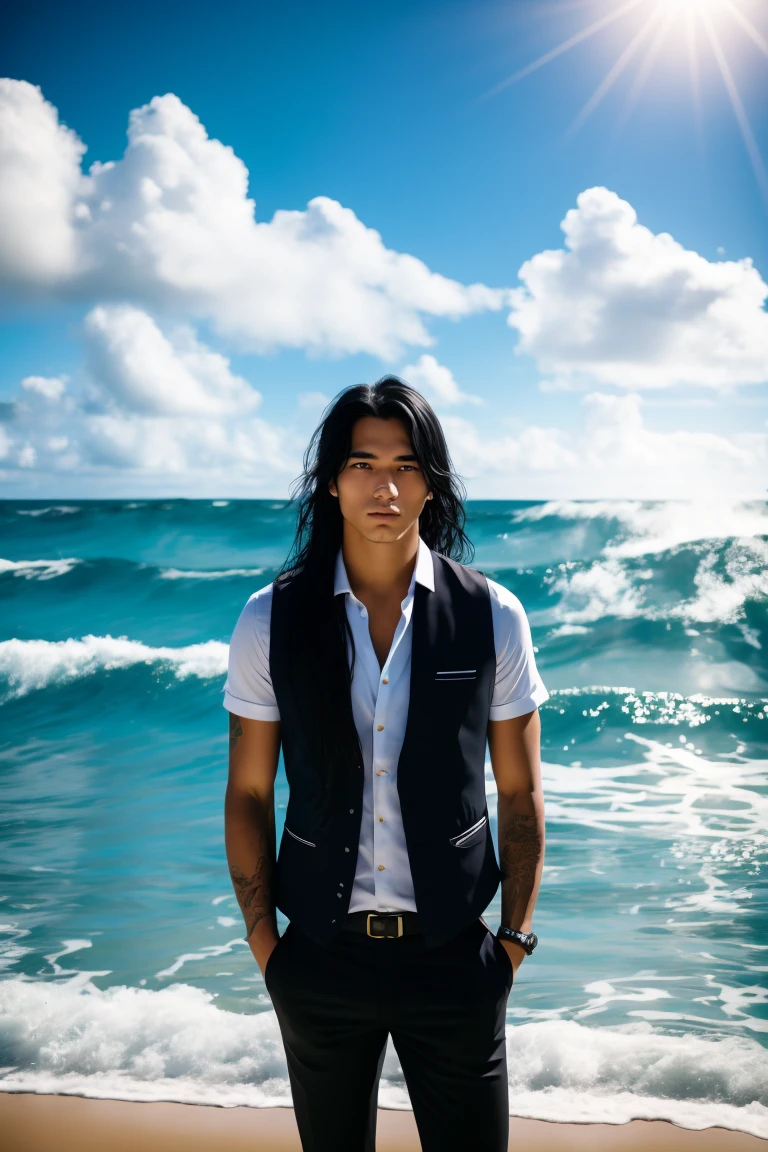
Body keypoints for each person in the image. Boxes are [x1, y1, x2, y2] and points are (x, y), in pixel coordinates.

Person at [223, 376, 549, 1152]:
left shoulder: (491, 614)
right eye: (364, 464)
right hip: (319, 964)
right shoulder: (270, 618)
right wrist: (266, 946)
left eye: (406, 466)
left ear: (431, 486)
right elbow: (247, 793)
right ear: (331, 481)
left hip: (457, 961)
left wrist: (511, 945)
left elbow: (522, 795)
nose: (385, 487)